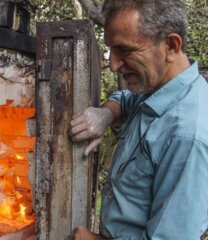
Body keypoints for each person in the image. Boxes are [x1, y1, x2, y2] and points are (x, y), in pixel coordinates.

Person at [69, 0, 208, 239]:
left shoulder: (187, 136)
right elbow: (125, 100)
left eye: (125, 50)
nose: (113, 65)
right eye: (111, 50)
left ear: (171, 46)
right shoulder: (159, 89)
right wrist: (107, 113)